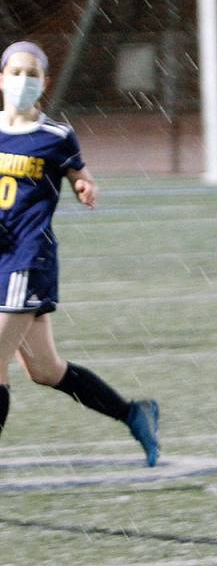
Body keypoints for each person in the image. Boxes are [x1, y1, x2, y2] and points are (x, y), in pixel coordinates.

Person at [0, 40, 159, 464]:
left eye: (31, 74)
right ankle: (133, 414)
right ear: (1, 78)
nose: (22, 81)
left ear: (45, 82)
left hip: (28, 261)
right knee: (46, 371)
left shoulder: (54, 136)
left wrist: (85, 187)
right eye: (14, 72)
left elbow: (80, 176)